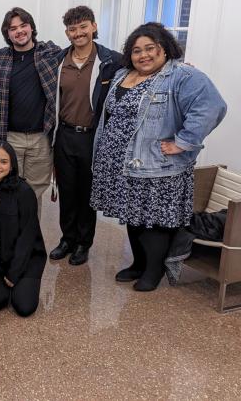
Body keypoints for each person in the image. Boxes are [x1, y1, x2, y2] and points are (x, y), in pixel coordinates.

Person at [91, 22, 226, 291]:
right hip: (121, 163)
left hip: (157, 166)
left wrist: (184, 141)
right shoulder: (122, 75)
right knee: (132, 215)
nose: (143, 55)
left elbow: (212, 106)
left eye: (150, 48)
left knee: (153, 221)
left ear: (164, 48)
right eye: (137, 50)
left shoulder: (181, 75)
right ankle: (138, 264)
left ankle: (154, 272)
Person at [49, 6, 123, 266]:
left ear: (93, 26)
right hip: (65, 135)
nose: (78, 33)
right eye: (72, 29)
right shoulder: (59, 60)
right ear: (67, 32)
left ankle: (83, 242)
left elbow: (144, 70)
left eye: (83, 27)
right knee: (66, 190)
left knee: (86, 193)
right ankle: (67, 238)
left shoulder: (112, 61)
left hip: (93, 137)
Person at [0, 7, 61, 210]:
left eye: (23, 25)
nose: (19, 31)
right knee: (6, 189)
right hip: (10, 136)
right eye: (13, 28)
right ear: (7, 34)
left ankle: (31, 240)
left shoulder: (50, 53)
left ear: (31, 28)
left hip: (41, 137)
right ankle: (8, 238)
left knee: (33, 193)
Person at [0, 141, 46, 317]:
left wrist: (14, 273)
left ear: (11, 166)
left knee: (24, 307)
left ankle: (19, 284)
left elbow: (27, 237)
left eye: (4, 162)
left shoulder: (24, 192)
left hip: (25, 260)